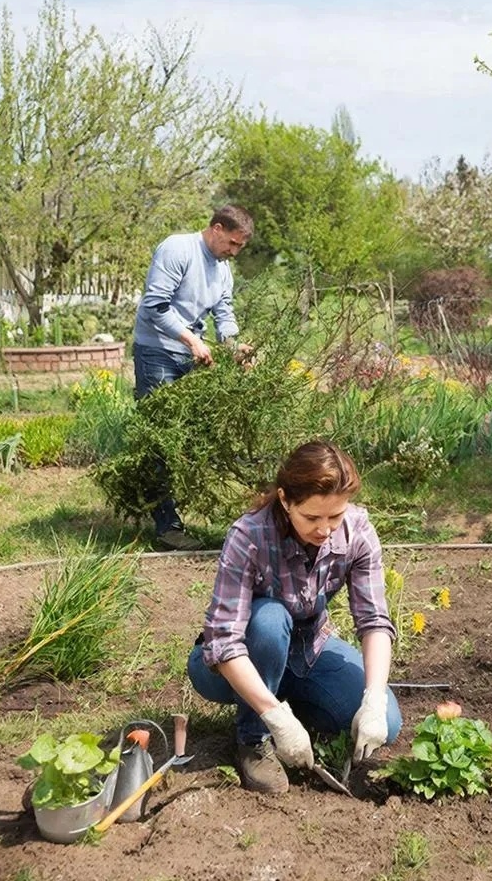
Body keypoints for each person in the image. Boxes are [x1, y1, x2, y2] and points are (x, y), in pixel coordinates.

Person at [186, 440, 402, 795]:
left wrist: (374, 698)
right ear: (286, 501)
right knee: (269, 620)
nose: (326, 529)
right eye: (312, 517)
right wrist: (276, 719)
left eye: (335, 515)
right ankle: (253, 738)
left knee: (389, 724)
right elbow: (223, 642)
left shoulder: (357, 531)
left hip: (308, 651)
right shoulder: (250, 536)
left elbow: (374, 620)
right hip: (239, 659)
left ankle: (286, 700)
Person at [132, 204, 254, 549]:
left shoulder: (223, 270)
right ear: (216, 228)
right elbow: (154, 306)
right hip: (157, 352)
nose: (234, 252)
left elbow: (224, 313)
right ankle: (166, 528)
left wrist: (234, 346)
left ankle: (169, 515)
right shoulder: (178, 249)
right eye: (232, 243)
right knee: (162, 438)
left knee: (188, 435)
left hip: (190, 355)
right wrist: (191, 339)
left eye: (239, 247)